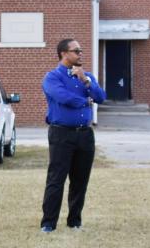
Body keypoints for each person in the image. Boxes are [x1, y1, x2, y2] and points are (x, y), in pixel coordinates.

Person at [40, 39, 106, 233]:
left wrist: (85, 81)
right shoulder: (52, 77)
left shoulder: (87, 77)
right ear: (63, 53)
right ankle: (48, 223)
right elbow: (63, 98)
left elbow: (101, 97)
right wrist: (86, 100)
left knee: (80, 180)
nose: (80, 54)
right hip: (61, 134)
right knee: (56, 179)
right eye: (76, 51)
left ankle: (75, 221)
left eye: (81, 50)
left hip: (85, 134)